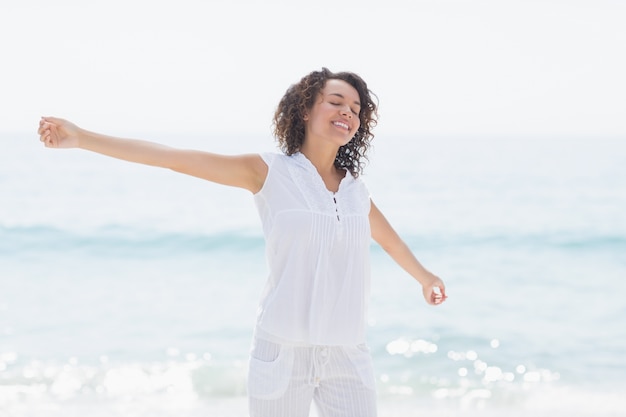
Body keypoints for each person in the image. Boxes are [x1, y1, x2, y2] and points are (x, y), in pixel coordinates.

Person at [37, 67, 447, 417]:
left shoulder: (355, 191)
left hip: (347, 353)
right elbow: (171, 156)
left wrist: (425, 277)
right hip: (281, 352)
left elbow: (388, 240)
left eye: (356, 110)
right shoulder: (268, 172)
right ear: (306, 109)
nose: (348, 113)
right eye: (336, 101)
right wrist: (82, 138)